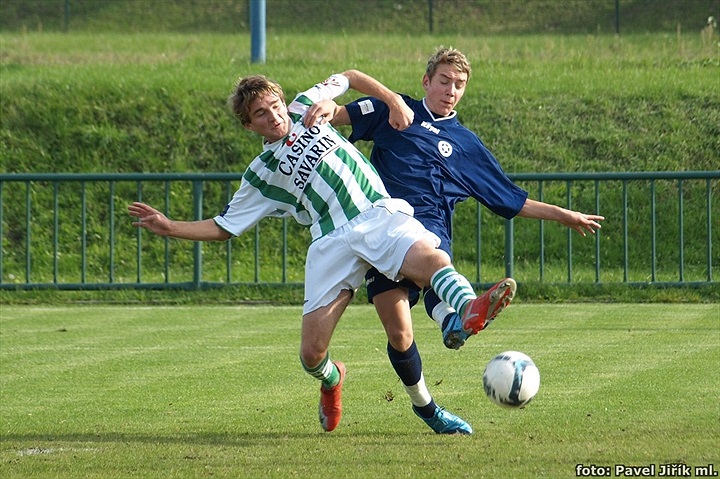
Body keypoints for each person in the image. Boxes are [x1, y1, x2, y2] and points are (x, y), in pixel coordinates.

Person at [128, 70, 516, 434]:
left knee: (433, 261)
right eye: (261, 114)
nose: (274, 116)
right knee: (312, 353)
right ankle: (334, 380)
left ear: (284, 101)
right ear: (249, 125)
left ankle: (467, 309)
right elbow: (223, 226)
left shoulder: (305, 106)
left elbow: (349, 77)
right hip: (330, 242)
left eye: (275, 106)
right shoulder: (261, 173)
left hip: (375, 213)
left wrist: (393, 101)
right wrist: (169, 227)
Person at [314, 47, 604, 350]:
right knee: (399, 335)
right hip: (379, 227)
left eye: (459, 84)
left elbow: (511, 200)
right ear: (426, 81)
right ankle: (426, 386)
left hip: (428, 226)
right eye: (444, 81)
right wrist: (325, 106)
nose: (450, 91)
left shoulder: (465, 144)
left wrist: (563, 215)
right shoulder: (394, 109)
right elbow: (338, 115)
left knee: (431, 264)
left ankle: (462, 313)